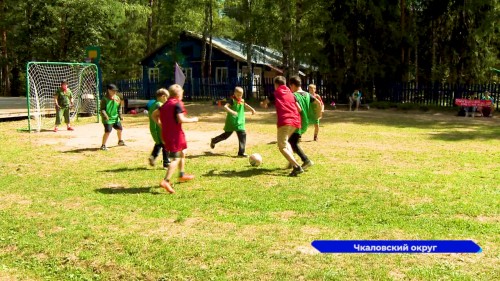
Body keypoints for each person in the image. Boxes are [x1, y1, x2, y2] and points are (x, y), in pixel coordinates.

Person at [152, 84, 199, 193]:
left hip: (168, 134)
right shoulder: (177, 104)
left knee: (183, 152)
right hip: (175, 136)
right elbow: (180, 119)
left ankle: (182, 175)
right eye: (182, 92)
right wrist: (193, 119)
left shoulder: (165, 104)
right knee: (175, 158)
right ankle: (166, 181)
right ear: (178, 94)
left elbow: (154, 115)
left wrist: (161, 125)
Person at [210, 87, 256, 157]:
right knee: (226, 136)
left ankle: (241, 152)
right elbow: (225, 107)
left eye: (241, 95)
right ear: (234, 93)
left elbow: (245, 105)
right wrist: (232, 112)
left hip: (240, 122)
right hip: (231, 122)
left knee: (242, 135)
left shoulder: (242, 100)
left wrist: (252, 109)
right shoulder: (232, 100)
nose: (239, 96)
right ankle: (214, 140)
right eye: (238, 95)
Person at [273, 76, 304, 177]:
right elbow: (299, 109)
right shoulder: (291, 94)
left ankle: (297, 166)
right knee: (287, 143)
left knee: (282, 146)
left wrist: (263, 103)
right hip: (296, 122)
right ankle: (292, 162)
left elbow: (266, 103)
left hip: (285, 121)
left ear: (276, 85)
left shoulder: (277, 93)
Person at [288, 76, 319, 170]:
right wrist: (319, 113)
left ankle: (306, 160)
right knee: (292, 141)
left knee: (292, 142)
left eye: (290, 86)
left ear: (293, 85)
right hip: (305, 122)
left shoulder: (293, 95)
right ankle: (291, 162)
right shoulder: (307, 94)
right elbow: (318, 102)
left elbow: (298, 109)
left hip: (297, 122)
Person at [148, 88, 170, 168]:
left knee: (159, 143)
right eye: (167, 97)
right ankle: (166, 162)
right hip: (159, 127)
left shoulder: (153, 104)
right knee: (165, 144)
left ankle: (153, 157)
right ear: (163, 96)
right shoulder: (160, 105)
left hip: (153, 128)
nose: (167, 99)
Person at [100, 84, 125, 150]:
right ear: (108, 90)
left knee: (120, 129)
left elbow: (119, 108)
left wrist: (120, 116)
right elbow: (102, 109)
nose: (114, 92)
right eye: (113, 91)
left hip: (116, 118)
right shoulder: (104, 99)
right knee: (108, 131)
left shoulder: (117, 98)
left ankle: (120, 141)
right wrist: (105, 116)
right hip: (107, 119)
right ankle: (103, 145)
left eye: (115, 91)